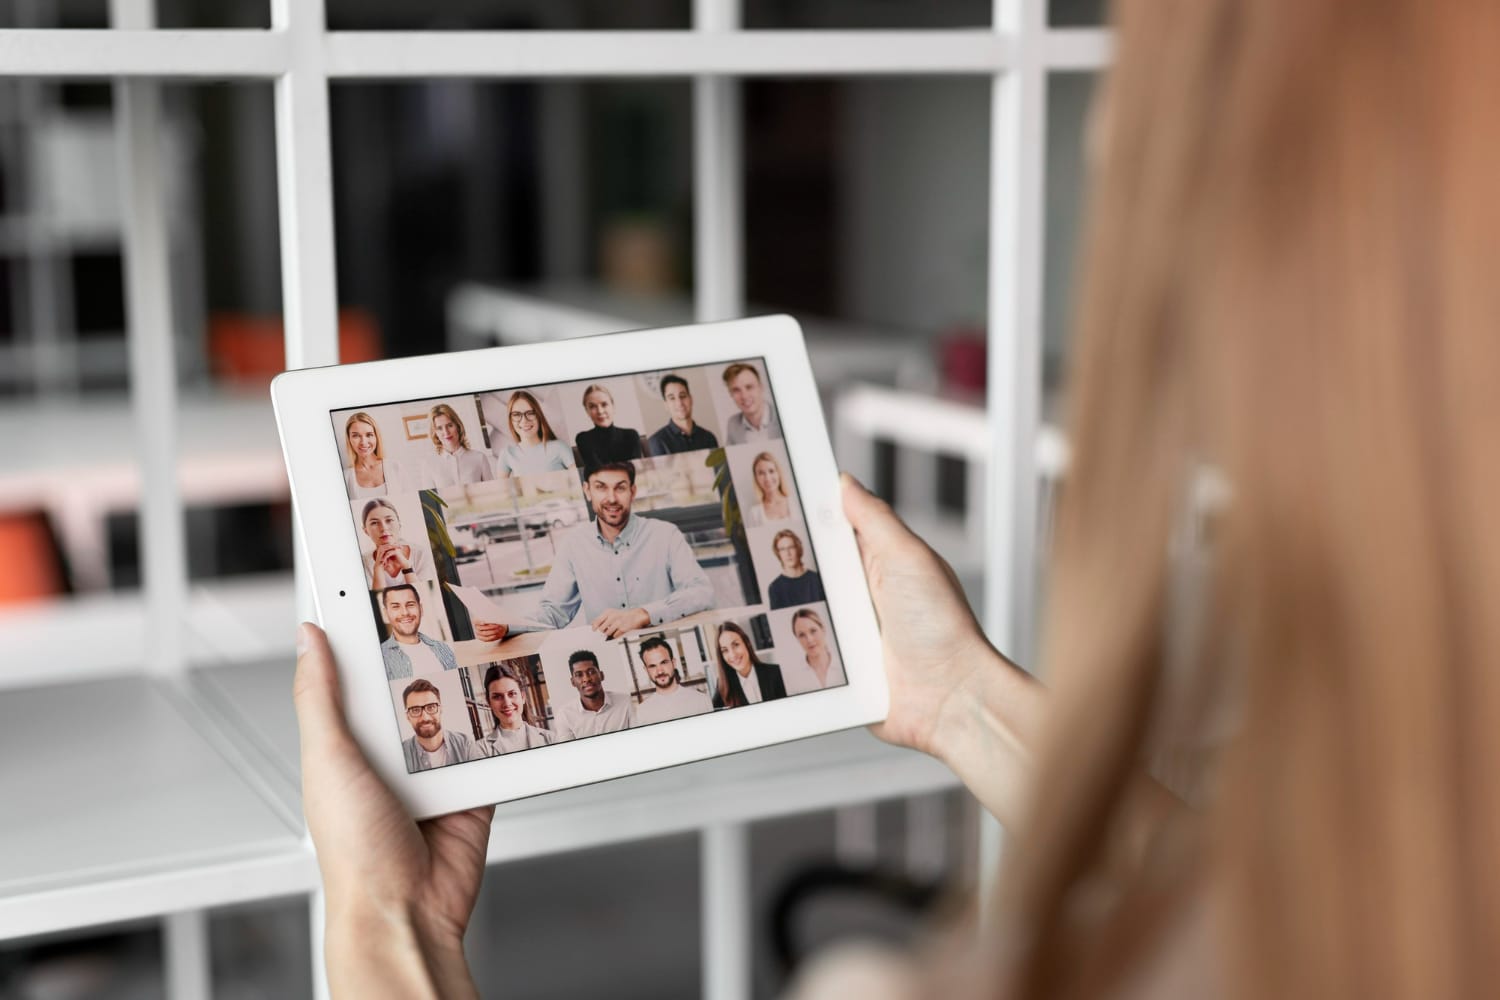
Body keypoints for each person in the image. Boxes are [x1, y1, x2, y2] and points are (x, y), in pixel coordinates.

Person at [293, 3, 1500, 995]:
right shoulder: (1409, 907)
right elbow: (1240, 921)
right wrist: (959, 693)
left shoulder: (885, 982)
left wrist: (387, 927)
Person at [479, 462, 714, 640]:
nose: (611, 498)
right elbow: (553, 612)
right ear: (587, 490)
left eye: (620, 488)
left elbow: (701, 591)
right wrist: (508, 626)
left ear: (632, 491)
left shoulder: (665, 534)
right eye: (601, 487)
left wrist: (644, 614)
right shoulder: (574, 545)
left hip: (669, 648)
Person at [379, 584, 460, 680]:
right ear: (385, 613)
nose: (405, 612)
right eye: (396, 607)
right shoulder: (380, 657)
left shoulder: (443, 648)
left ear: (421, 609)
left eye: (410, 605)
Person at [550, 649, 635, 740]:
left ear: (601, 675)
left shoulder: (626, 702)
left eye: (591, 672)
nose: (586, 679)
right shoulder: (565, 715)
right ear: (573, 682)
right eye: (579, 675)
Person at [473, 664, 553, 756]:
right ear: (489, 702)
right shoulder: (480, 749)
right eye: (497, 696)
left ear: (522, 697)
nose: (507, 703)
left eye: (512, 694)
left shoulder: (550, 738)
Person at [493, 389, 575, 477]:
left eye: (530, 413)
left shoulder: (560, 447)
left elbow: (578, 481)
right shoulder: (507, 454)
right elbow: (502, 489)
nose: (524, 420)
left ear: (538, 416)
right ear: (510, 420)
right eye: (516, 414)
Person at [399, 678, 475, 771]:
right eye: (415, 710)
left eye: (431, 707)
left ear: (441, 709)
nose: (425, 718)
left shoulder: (466, 745)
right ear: (407, 716)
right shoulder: (400, 755)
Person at [634, 635, 712, 725]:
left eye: (663, 662)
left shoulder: (701, 700)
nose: (660, 671)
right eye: (652, 666)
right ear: (646, 670)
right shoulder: (642, 712)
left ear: (674, 663)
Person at [710, 620, 786, 709]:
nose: (733, 655)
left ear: (747, 643)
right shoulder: (723, 685)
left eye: (736, 644)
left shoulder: (775, 672)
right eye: (725, 650)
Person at [361, 498, 434, 589]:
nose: (384, 528)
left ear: (399, 524)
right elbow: (376, 601)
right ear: (365, 531)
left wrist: (407, 567)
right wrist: (377, 569)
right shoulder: (361, 563)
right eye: (374, 523)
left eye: (389, 520)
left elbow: (423, 596)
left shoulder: (421, 554)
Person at [573, 384, 643, 468]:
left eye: (604, 404)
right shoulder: (583, 439)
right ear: (587, 411)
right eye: (592, 406)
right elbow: (598, 471)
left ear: (613, 406)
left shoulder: (631, 435)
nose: (600, 411)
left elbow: (636, 471)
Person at [647, 374, 719, 456]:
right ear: (666, 405)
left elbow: (719, 468)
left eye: (683, 396)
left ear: (691, 399)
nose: (679, 403)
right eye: (672, 398)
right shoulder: (656, 442)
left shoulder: (709, 438)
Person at [423, 402, 492, 487]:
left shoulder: (479, 458)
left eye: (450, 425)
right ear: (435, 432)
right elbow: (428, 500)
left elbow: (493, 493)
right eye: (439, 428)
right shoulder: (429, 464)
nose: (446, 432)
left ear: (458, 426)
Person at [782, 608, 846, 695]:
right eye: (802, 635)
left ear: (823, 629)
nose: (809, 639)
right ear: (797, 639)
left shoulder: (844, 664)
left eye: (813, 631)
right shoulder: (792, 679)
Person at [342, 411, 403, 498]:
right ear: (349, 439)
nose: (363, 442)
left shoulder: (395, 467)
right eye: (356, 436)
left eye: (369, 435)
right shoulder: (345, 477)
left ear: (376, 437)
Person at [721, 363, 781, 445]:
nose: (744, 396)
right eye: (736, 390)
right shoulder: (733, 424)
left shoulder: (781, 417)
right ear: (730, 394)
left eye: (749, 387)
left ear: (761, 387)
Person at [767, 528, 825, 610]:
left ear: (798, 549)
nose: (788, 553)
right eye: (782, 549)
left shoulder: (816, 579)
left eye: (791, 547)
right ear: (778, 554)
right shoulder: (775, 588)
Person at [745, 451, 792, 527]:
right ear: (756, 479)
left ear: (778, 473)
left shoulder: (795, 502)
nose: (767, 478)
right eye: (761, 473)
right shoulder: (754, 514)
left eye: (771, 471)